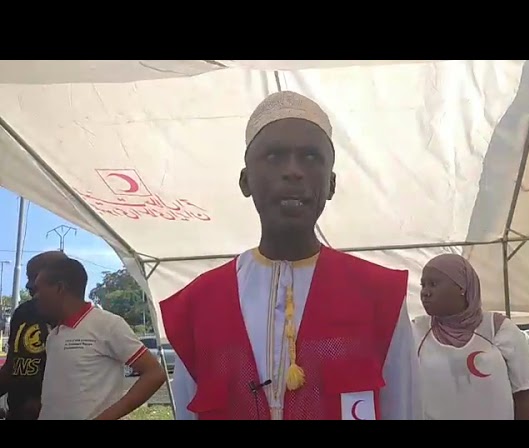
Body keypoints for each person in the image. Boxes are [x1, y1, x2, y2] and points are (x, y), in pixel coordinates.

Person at [162, 90, 420, 420]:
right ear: (245, 181)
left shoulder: (381, 297)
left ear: (331, 184)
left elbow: (404, 408)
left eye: (311, 157)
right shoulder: (194, 306)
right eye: (274, 156)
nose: (293, 172)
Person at [34, 258, 166, 420]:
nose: (36, 296)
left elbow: (154, 373)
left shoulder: (108, 325)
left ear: (60, 288)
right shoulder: (54, 335)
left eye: (39, 289)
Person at [414, 253, 529, 420]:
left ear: (461, 287)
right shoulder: (417, 330)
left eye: (433, 284)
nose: (425, 293)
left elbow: (525, 395)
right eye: (423, 285)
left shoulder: (498, 329)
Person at [0, 251, 67, 420]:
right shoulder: (22, 313)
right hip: (17, 412)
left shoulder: (74, 318)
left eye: (35, 279)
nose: (29, 286)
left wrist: (43, 402)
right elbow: (11, 366)